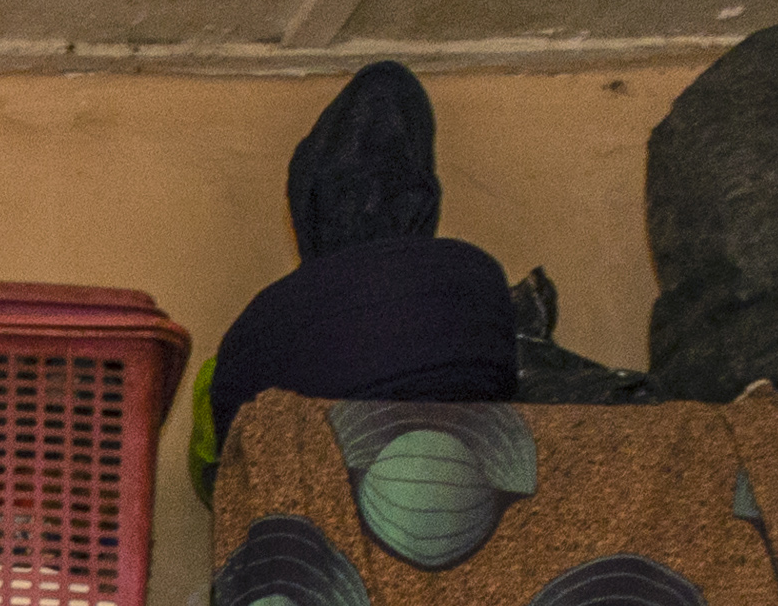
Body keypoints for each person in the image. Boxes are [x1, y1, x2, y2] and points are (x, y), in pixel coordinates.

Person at [195, 61, 528, 485]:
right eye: (348, 191)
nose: (370, 205)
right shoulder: (475, 291)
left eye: (393, 189)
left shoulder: (257, 336)